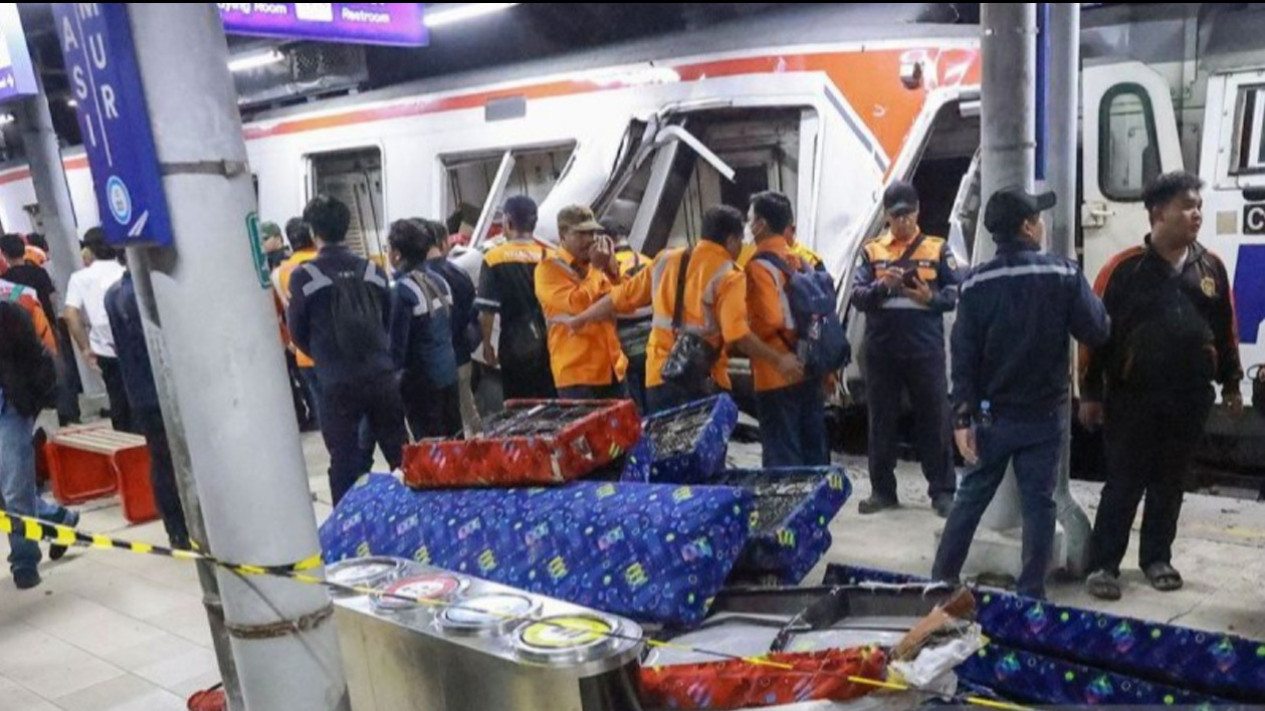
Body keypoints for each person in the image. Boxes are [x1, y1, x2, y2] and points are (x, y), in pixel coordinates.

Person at [931, 187, 1110, 600]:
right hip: (1045, 417)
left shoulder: (975, 283)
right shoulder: (1063, 275)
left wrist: (962, 419)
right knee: (1039, 504)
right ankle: (1031, 591)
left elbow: (963, 355)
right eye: (1038, 219)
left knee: (971, 497)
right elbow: (1098, 329)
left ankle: (941, 581)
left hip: (992, 416)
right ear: (1029, 227)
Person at [1082, 171, 1245, 601]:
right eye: (1187, 206)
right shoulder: (1121, 270)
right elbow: (1095, 338)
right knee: (1124, 482)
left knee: (1170, 482)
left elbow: (1225, 327)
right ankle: (1104, 563)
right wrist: (1091, 394)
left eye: (1199, 207)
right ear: (1158, 213)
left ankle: (1156, 558)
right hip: (1132, 398)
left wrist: (1231, 383)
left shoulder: (1210, 267)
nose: (1196, 214)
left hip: (1190, 397)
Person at [567, 206, 804, 415]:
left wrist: (580, 319)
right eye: (740, 241)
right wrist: (779, 360)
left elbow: (621, 297)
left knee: (667, 457)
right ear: (731, 240)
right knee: (704, 459)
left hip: (659, 377)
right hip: (702, 381)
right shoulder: (730, 275)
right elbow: (737, 335)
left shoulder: (664, 260)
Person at [288, 196, 407, 505]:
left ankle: (348, 527)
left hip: (336, 381)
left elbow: (298, 331)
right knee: (400, 454)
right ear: (346, 227)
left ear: (314, 232)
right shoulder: (372, 270)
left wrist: (325, 358)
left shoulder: (305, 276)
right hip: (382, 375)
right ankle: (416, 518)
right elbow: (387, 317)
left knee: (344, 459)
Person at [851, 181, 960, 518]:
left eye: (908, 214)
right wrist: (883, 286)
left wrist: (932, 299)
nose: (903, 221)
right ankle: (883, 491)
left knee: (935, 420)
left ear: (918, 211)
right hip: (882, 352)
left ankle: (942, 492)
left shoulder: (937, 249)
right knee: (881, 422)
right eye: (896, 215)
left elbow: (959, 289)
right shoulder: (871, 252)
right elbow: (858, 296)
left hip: (924, 351)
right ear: (886, 216)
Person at [104, 259, 190, 549]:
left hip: (140, 392)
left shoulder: (113, 294)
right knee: (176, 460)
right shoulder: (142, 295)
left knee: (162, 460)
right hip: (164, 390)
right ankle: (184, 525)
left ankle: (175, 528)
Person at [745, 191, 829, 468]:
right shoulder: (803, 261)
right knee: (812, 450)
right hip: (809, 367)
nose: (748, 226)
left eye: (750, 219)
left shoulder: (758, 266)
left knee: (783, 457)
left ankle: (789, 513)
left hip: (776, 373)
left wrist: (741, 326)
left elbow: (768, 320)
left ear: (761, 225)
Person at [0, 300, 75, 590]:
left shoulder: (8, 315)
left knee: (15, 489)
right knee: (8, 493)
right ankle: (61, 518)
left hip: (10, 409)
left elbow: (37, 360)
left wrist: (36, 404)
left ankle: (24, 561)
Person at [536, 206, 628, 401]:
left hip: (613, 368)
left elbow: (623, 300)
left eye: (593, 232)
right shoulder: (548, 269)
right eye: (581, 234)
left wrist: (612, 272)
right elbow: (577, 304)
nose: (590, 240)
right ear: (562, 235)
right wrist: (597, 268)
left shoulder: (597, 265)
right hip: (578, 375)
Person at [387, 219, 463, 440]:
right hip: (449, 374)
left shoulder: (402, 291)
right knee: (456, 440)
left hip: (421, 386)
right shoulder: (440, 282)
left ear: (397, 254)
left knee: (432, 448)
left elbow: (397, 348)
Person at [476, 196, 557, 402]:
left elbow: (488, 311)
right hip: (551, 341)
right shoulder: (550, 256)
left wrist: (487, 345)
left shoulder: (494, 258)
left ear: (508, 222)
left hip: (514, 345)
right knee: (550, 401)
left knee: (518, 404)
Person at [65, 229, 130, 433]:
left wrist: (85, 348)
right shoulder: (126, 270)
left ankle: (126, 445)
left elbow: (70, 314)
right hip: (134, 343)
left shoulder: (80, 278)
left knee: (118, 398)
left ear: (88, 250)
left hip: (104, 348)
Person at [422, 219, 482, 436]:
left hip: (430, 365)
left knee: (439, 425)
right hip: (461, 355)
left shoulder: (417, 281)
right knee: (468, 413)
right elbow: (473, 314)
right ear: (444, 243)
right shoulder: (459, 273)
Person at [274, 218, 322, 427]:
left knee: (323, 409)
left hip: (305, 351)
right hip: (339, 351)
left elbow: (282, 310)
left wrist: (289, 342)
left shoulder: (280, 272)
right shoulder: (327, 261)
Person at [0, 234, 57, 327]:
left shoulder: (5, 281)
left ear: (5, 254)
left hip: (25, 330)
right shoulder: (40, 272)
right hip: (47, 325)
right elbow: (52, 298)